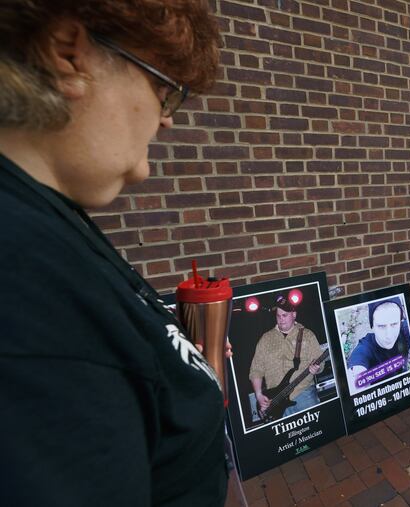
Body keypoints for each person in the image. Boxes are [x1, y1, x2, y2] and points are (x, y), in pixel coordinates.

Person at [0, 2, 226, 505]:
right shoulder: (23, 282)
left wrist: (179, 363)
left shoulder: (48, 216)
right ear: (68, 55)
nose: (166, 120)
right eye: (164, 89)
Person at [249, 295, 323, 419]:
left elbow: (320, 362)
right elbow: (256, 370)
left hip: (304, 395)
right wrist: (258, 395)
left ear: (294, 314)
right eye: (278, 316)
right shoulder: (265, 339)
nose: (281, 319)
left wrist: (317, 368)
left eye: (285, 315)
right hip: (275, 402)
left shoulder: (308, 335)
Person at [347, 299, 410, 390]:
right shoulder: (365, 349)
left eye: (394, 324)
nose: (389, 335)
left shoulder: (404, 330)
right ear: (372, 326)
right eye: (381, 326)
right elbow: (357, 367)